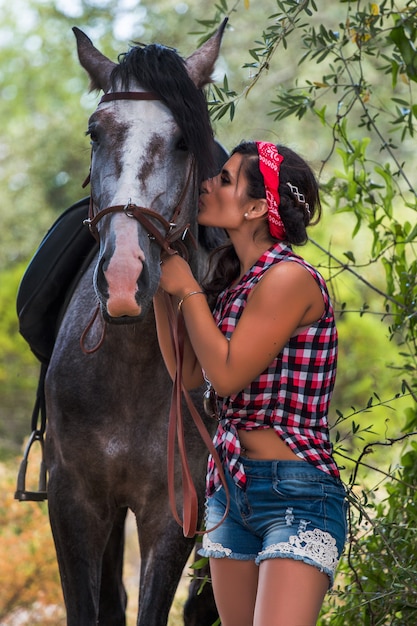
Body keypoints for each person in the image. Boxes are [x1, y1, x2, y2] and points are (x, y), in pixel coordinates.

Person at [153, 140, 347, 626]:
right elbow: (190, 374)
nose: (208, 185)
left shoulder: (289, 279)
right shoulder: (235, 282)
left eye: (224, 179)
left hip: (296, 492)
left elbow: (228, 372)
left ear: (258, 207)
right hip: (230, 490)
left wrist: (188, 290)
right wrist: (158, 286)